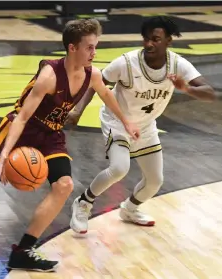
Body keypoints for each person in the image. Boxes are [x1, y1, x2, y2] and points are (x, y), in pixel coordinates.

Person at [0, 19, 139, 272]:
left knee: (64, 185)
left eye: (95, 47)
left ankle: (23, 250)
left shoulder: (92, 74)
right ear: (72, 48)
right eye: (89, 47)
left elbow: (105, 93)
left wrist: (127, 122)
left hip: (51, 135)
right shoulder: (49, 76)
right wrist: (5, 155)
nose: (94, 53)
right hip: (22, 130)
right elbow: (23, 117)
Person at [68, 16, 216, 234]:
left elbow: (210, 93)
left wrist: (186, 89)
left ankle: (129, 209)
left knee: (155, 181)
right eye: (146, 39)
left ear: (168, 42)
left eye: (156, 39)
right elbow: (95, 84)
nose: (149, 44)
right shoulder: (126, 63)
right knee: (119, 168)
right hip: (117, 122)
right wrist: (77, 110)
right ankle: (83, 203)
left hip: (145, 126)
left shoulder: (178, 64)